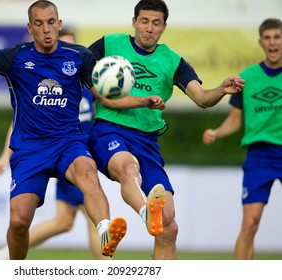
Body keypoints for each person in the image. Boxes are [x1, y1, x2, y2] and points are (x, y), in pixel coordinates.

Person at [0, 0, 165, 259]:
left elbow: (106, 98)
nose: (46, 29)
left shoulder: (79, 56)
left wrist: (143, 100)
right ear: (30, 27)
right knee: (19, 221)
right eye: (39, 24)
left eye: (51, 22)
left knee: (88, 172)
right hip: (30, 148)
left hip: (68, 142)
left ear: (58, 24)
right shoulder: (15, 57)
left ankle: (105, 230)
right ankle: (14, 266)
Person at [87, 0, 245, 260]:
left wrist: (220, 89)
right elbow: (80, 69)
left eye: (156, 23)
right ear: (134, 22)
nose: (149, 28)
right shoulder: (109, 44)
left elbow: (202, 98)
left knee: (169, 227)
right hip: (110, 130)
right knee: (129, 169)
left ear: (164, 27)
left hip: (147, 141)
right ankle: (148, 214)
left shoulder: (172, 61)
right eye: (145, 21)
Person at [0, 28, 109, 260]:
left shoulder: (88, 87)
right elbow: (18, 124)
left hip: (76, 153)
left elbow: (103, 114)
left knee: (63, 221)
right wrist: (5, 155)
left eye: (72, 45)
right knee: (93, 219)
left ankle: (3, 255)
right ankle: (106, 267)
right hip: (64, 156)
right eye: (64, 44)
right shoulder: (43, 83)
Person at [202, 18, 282, 260]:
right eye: (267, 38)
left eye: (277, 37)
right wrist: (217, 131)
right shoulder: (247, 78)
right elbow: (236, 119)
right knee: (250, 224)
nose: (272, 42)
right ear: (260, 42)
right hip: (259, 157)